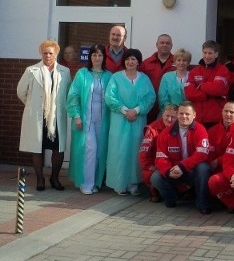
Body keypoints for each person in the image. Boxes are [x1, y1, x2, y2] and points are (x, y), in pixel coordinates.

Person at [17, 40, 72, 191]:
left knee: (58, 149)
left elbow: (69, 93)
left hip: (56, 117)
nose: (47, 56)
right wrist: (32, 105)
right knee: (37, 148)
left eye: (50, 53)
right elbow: (21, 91)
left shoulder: (65, 72)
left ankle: (54, 178)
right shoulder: (31, 70)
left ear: (56, 54)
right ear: (41, 53)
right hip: (37, 116)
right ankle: (40, 179)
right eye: (45, 53)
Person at [105, 48, 156, 195]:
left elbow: (150, 97)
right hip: (119, 120)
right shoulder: (116, 77)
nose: (130, 62)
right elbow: (110, 97)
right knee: (119, 152)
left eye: (133, 59)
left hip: (137, 121)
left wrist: (137, 110)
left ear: (138, 62)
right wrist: (124, 110)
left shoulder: (144, 79)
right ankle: (119, 184)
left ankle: (133, 184)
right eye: (127, 59)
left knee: (135, 151)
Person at [66, 44, 113, 195]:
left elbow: (112, 98)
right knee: (89, 149)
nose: (97, 58)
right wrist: (76, 116)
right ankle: (85, 183)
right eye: (94, 55)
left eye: (100, 55)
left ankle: (96, 182)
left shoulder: (109, 76)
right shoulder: (82, 74)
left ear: (104, 57)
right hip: (86, 119)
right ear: (90, 57)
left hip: (103, 120)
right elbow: (73, 96)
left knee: (100, 150)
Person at [151, 101, 212, 214]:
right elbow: (160, 158)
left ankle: (203, 203)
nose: (184, 116)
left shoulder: (200, 129)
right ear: (177, 114)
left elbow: (202, 154)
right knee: (155, 177)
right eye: (181, 113)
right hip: (174, 170)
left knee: (204, 168)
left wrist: (182, 166)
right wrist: (168, 171)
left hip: (192, 170)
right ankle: (172, 199)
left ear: (194, 115)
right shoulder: (166, 133)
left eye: (187, 114)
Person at [183, 40, 230, 128]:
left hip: (215, 118)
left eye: (210, 53)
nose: (207, 56)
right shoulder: (194, 71)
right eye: (205, 53)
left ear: (216, 55)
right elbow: (189, 94)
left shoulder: (223, 70)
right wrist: (208, 95)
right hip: (196, 118)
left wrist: (200, 86)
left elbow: (218, 89)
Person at [139, 104, 178, 202]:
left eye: (172, 117)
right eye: (166, 116)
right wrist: (149, 167)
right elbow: (144, 152)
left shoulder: (182, 128)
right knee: (150, 175)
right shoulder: (152, 129)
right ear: (162, 115)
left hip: (175, 164)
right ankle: (156, 193)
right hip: (157, 165)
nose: (169, 119)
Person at [140, 34, 175, 122]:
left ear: (171, 46)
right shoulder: (146, 63)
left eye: (167, 43)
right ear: (157, 44)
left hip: (169, 105)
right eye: (162, 43)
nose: (164, 45)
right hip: (150, 105)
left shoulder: (177, 63)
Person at [207, 101, 234, 174]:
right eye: (226, 111)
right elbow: (209, 151)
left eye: (231, 112)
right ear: (222, 112)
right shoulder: (212, 131)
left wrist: (218, 161)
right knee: (202, 168)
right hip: (213, 167)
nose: (228, 114)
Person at [158, 48, 191, 112]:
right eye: (179, 60)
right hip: (170, 112)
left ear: (188, 63)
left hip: (187, 113)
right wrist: (170, 108)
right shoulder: (166, 77)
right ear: (175, 62)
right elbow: (162, 97)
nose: (181, 63)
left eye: (184, 60)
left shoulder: (192, 76)